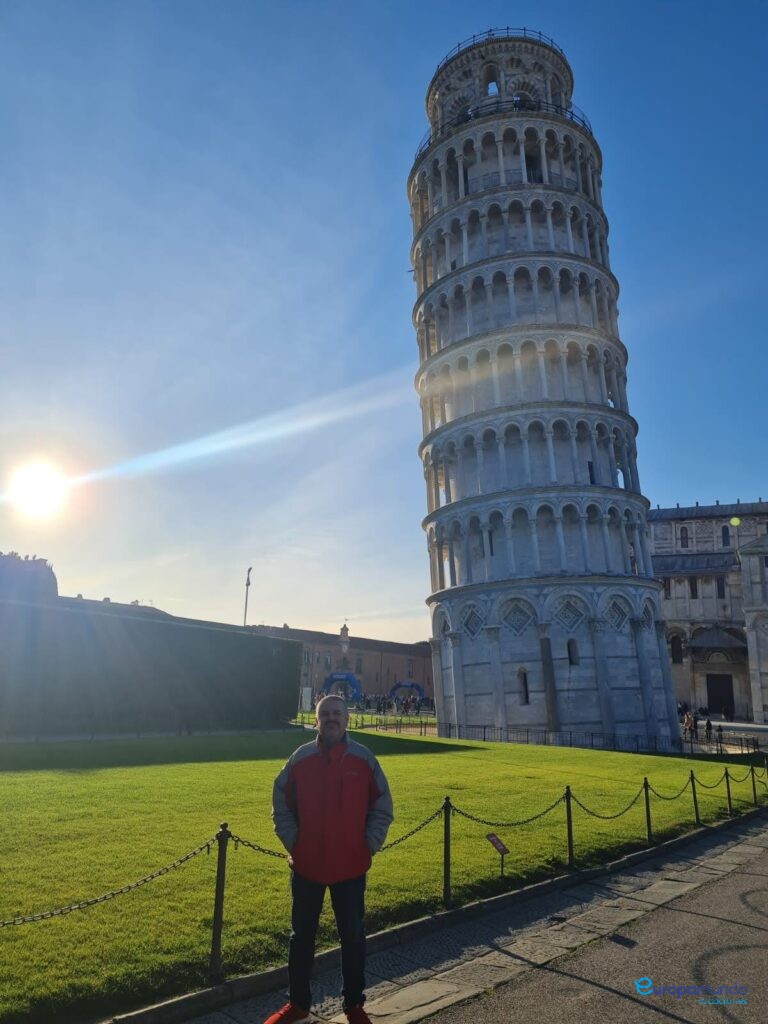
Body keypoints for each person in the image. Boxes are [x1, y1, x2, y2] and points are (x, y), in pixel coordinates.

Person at [264, 694, 394, 1024]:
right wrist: (294, 841)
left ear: (347, 719)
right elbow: (280, 797)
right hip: (308, 865)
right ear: (316, 720)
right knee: (301, 938)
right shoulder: (301, 758)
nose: (332, 719)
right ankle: (298, 1005)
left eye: (337, 714)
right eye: (326, 715)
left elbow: (382, 807)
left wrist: (369, 845)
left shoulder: (364, 760)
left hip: (350, 865)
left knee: (352, 936)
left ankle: (353, 1005)